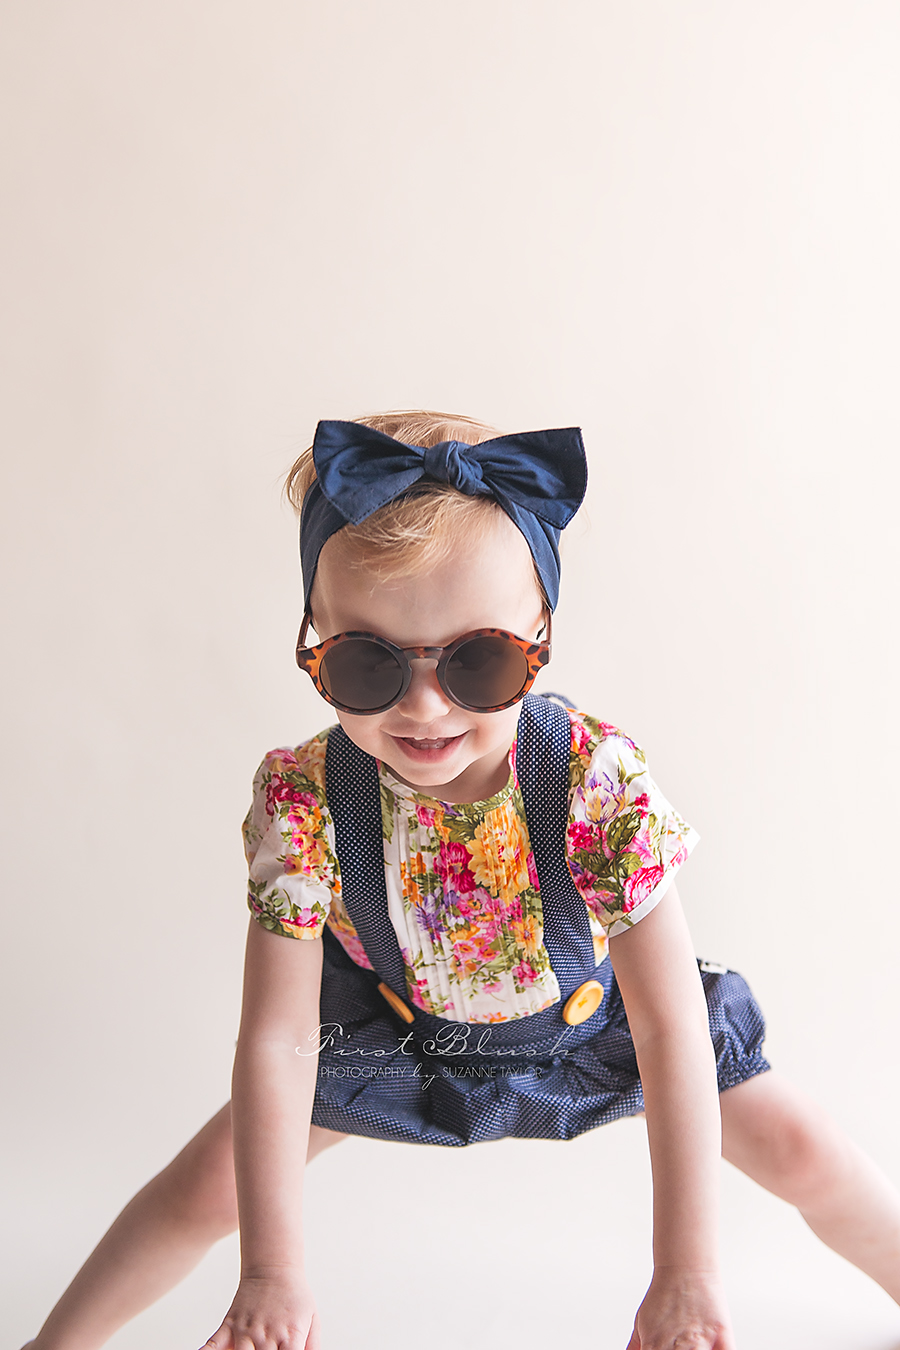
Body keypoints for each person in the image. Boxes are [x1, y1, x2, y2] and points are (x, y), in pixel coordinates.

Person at [22, 411, 900, 1350]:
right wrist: (273, 1270)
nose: (424, 705)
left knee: (803, 1149)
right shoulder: (307, 797)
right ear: (314, 641)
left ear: (540, 637)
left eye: (478, 661)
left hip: (598, 1026)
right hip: (399, 1034)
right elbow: (280, 1038)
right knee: (206, 1184)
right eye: (368, 663)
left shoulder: (593, 784)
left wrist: (685, 1273)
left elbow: (669, 1021)